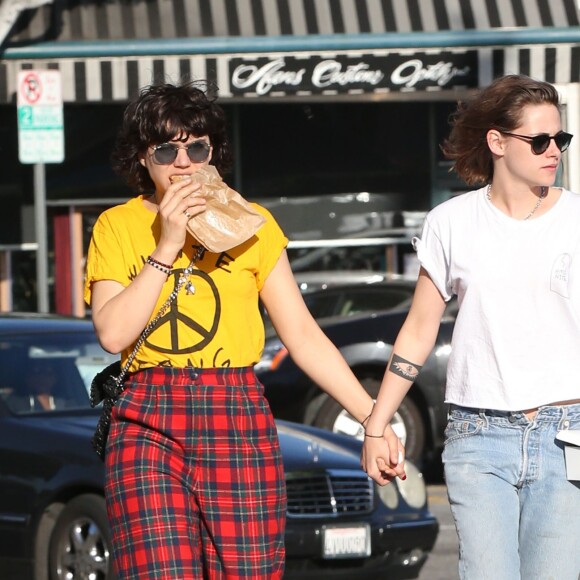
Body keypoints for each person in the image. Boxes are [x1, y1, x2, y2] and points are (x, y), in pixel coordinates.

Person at [84, 79, 405, 580]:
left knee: (249, 570)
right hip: (148, 415)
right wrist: (167, 244)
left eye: (197, 147)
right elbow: (112, 333)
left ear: (214, 153)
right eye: (165, 149)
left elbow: (301, 334)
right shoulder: (117, 226)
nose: (183, 162)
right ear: (141, 160)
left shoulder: (253, 224)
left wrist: (372, 419)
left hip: (234, 408)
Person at [361, 74, 580, 580]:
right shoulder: (450, 223)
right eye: (540, 140)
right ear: (498, 142)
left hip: (567, 432)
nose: (554, 151)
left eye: (560, 140)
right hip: (478, 433)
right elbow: (417, 329)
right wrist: (377, 424)